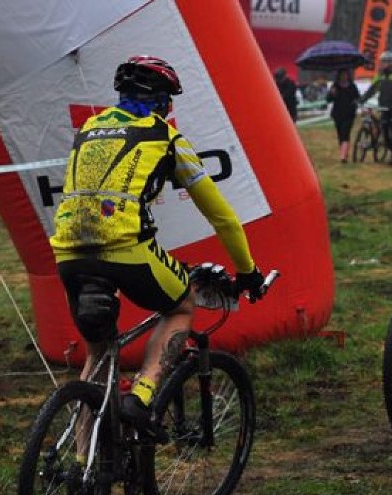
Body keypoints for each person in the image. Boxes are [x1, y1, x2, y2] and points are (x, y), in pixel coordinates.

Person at [50, 55, 265, 431]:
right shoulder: (164, 135)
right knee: (180, 306)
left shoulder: (88, 129)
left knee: (99, 354)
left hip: (69, 254)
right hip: (124, 247)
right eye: (169, 101)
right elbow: (223, 218)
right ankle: (142, 395)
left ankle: (83, 467)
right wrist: (247, 271)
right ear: (161, 100)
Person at [360, 51, 392, 165]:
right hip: (384, 107)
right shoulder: (380, 75)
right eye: (382, 61)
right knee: (385, 133)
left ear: (391, 62)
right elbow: (372, 89)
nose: (383, 64)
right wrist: (362, 100)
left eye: (385, 61)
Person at [326, 68, 360, 163]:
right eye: (342, 75)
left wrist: (355, 102)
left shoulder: (352, 86)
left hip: (349, 114)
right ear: (339, 76)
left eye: (345, 75)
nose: (344, 77)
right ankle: (344, 152)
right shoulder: (335, 86)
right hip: (337, 114)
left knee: (345, 133)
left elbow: (357, 98)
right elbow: (328, 99)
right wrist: (331, 93)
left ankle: (343, 157)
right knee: (340, 135)